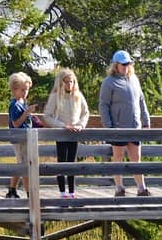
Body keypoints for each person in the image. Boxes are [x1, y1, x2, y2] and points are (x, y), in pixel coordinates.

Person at [98, 50, 151, 197]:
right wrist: (109, 126)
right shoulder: (108, 82)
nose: (126, 66)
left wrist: (146, 121)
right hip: (117, 127)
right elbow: (103, 105)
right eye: (123, 64)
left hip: (135, 126)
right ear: (116, 65)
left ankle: (141, 188)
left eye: (128, 64)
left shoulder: (134, 79)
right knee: (118, 157)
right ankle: (119, 187)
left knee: (136, 158)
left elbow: (141, 101)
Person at [43, 68, 90, 198]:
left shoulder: (78, 96)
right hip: (61, 133)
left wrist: (80, 125)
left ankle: (72, 192)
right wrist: (62, 126)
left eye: (72, 81)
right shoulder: (55, 96)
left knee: (72, 163)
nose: (69, 84)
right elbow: (47, 116)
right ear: (61, 82)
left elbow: (86, 113)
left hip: (74, 134)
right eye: (67, 81)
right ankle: (62, 192)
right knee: (62, 162)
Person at [6, 71, 36, 198]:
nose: (25, 93)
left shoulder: (22, 102)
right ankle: (30, 193)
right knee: (24, 165)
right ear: (14, 90)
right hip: (18, 138)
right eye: (22, 90)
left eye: (27, 90)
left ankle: (12, 189)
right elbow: (16, 123)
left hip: (26, 137)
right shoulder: (14, 105)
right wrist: (26, 113)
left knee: (20, 163)